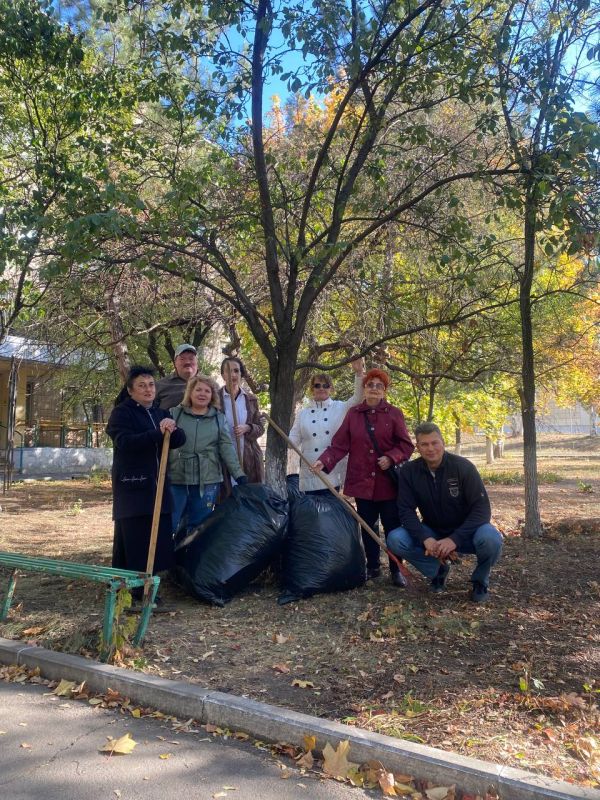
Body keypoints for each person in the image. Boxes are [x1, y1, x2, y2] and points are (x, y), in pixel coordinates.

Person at [312, 368, 414, 585]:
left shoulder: (394, 413)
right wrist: (325, 460)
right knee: (368, 525)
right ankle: (373, 567)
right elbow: (340, 444)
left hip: (388, 483)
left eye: (379, 386)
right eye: (370, 385)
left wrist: (391, 457)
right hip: (362, 482)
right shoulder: (354, 414)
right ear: (364, 388)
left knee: (392, 526)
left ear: (384, 390)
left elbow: (406, 445)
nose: (374, 389)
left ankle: (396, 569)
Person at [387, 422, 503, 603]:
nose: (430, 448)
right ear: (417, 447)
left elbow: (482, 510)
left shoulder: (463, 467)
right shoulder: (409, 471)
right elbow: (405, 510)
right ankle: (438, 571)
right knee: (395, 539)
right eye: (424, 444)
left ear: (443, 443)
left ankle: (480, 581)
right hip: (433, 531)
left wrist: (454, 539)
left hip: (467, 532)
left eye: (435, 443)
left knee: (491, 538)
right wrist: (425, 538)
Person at [106, 365, 186, 593]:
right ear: (131, 390)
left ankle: (149, 583)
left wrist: (172, 428)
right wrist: (157, 434)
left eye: (151, 384)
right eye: (141, 385)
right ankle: (133, 588)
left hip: (158, 484)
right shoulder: (122, 412)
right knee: (135, 537)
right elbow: (125, 442)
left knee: (157, 535)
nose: (148, 389)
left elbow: (179, 439)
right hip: (132, 485)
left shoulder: (161, 412)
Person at [169, 374, 247, 535]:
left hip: (207, 480)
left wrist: (239, 475)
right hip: (177, 477)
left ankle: (192, 558)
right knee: (170, 522)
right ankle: (167, 558)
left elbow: (227, 448)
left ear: (212, 396)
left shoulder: (219, 419)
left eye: (207, 391)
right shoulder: (175, 414)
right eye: (198, 389)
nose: (202, 394)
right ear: (190, 392)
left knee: (199, 527)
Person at [289, 359, 365, 493]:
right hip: (310, 469)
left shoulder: (341, 407)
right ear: (312, 389)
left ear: (331, 388)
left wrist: (359, 373)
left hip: (331, 469)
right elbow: (293, 439)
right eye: (317, 385)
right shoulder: (303, 414)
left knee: (331, 510)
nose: (321, 388)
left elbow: (358, 398)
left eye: (326, 385)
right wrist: (285, 441)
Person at [218, 356, 265, 485]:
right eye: (229, 371)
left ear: (241, 374)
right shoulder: (215, 399)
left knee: (249, 498)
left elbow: (260, 428)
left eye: (236, 371)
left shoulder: (251, 399)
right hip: (224, 458)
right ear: (223, 375)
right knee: (228, 498)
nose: (233, 374)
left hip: (248, 456)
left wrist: (248, 427)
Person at [155, 344, 199, 410]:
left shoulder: (209, 385)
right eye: (182, 359)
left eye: (191, 358)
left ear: (197, 362)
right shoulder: (159, 385)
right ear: (175, 363)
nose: (187, 362)